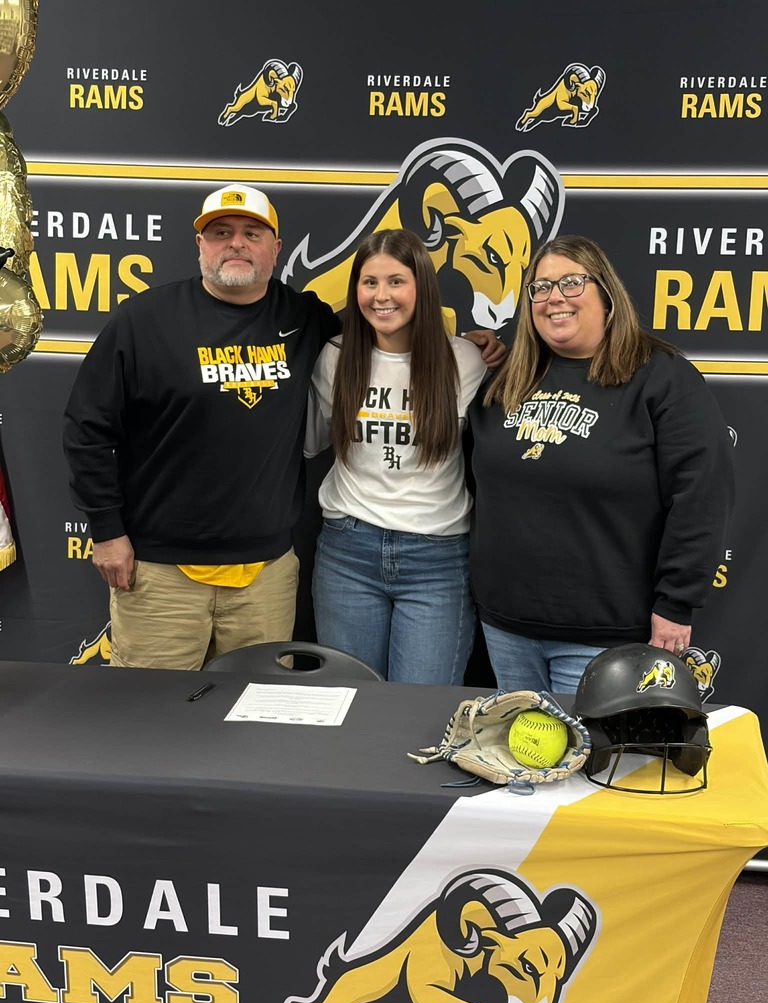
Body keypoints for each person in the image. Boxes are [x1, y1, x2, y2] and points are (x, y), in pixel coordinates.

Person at [63, 186, 504, 671]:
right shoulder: (143, 320)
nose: (236, 244)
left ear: (275, 249)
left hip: (265, 575)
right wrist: (106, 530)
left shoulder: (303, 318)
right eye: (221, 233)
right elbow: (87, 428)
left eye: (252, 233)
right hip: (161, 571)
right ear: (200, 246)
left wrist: (470, 343)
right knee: (152, 721)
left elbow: (384, 327)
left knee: (260, 722)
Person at [468, 234, 734, 694]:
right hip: (506, 627)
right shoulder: (509, 381)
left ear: (606, 294)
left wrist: (675, 603)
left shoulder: (661, 378)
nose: (555, 298)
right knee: (522, 765)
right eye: (540, 287)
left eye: (572, 283)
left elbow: (702, 497)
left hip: (605, 639)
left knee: (591, 767)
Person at [306, 229, 487, 684]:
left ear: (421, 287)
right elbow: (309, 442)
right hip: (348, 551)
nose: (381, 296)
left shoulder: (465, 359)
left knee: (419, 713)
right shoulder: (335, 357)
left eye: (395, 281)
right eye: (369, 283)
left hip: (438, 558)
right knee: (348, 705)